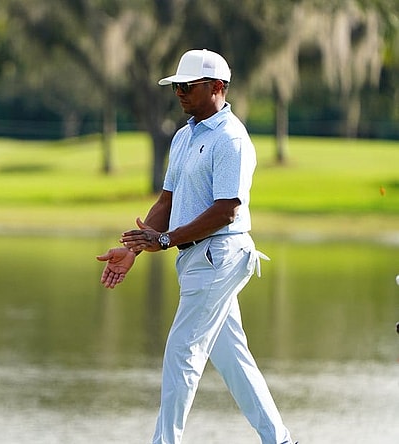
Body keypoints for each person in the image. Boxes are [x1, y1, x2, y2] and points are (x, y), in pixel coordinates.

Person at [96, 49, 296, 444]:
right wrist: (135, 247)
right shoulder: (185, 136)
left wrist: (166, 239)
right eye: (177, 87)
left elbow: (226, 211)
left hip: (220, 254)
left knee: (181, 354)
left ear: (217, 87)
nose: (181, 93)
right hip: (197, 257)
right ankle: (280, 440)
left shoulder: (232, 138)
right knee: (233, 360)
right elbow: (167, 202)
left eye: (188, 86)